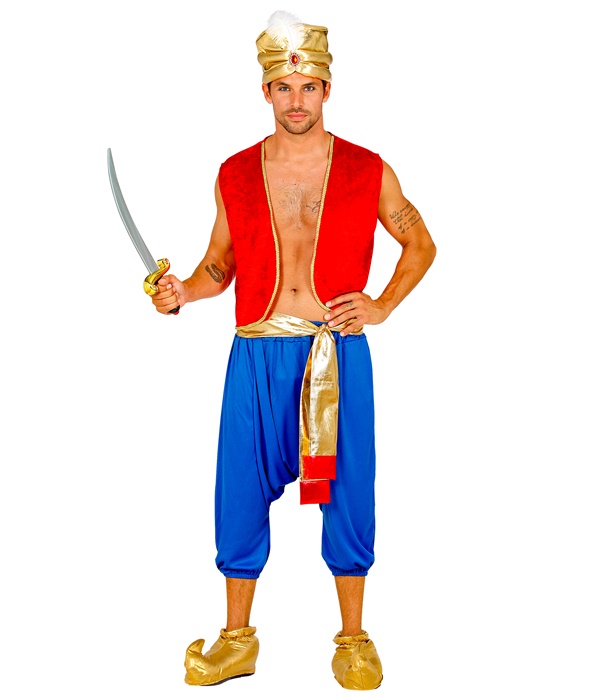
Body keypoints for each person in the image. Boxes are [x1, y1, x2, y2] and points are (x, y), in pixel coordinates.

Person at [150, 11, 436, 691]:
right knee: (238, 491)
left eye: (309, 87)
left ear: (327, 89)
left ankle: (354, 639)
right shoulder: (235, 173)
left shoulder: (368, 168)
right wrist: (183, 291)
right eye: (284, 87)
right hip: (256, 354)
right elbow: (219, 265)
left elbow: (421, 244)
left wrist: (381, 305)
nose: (297, 100)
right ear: (266, 92)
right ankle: (236, 641)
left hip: (337, 351)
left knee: (349, 490)